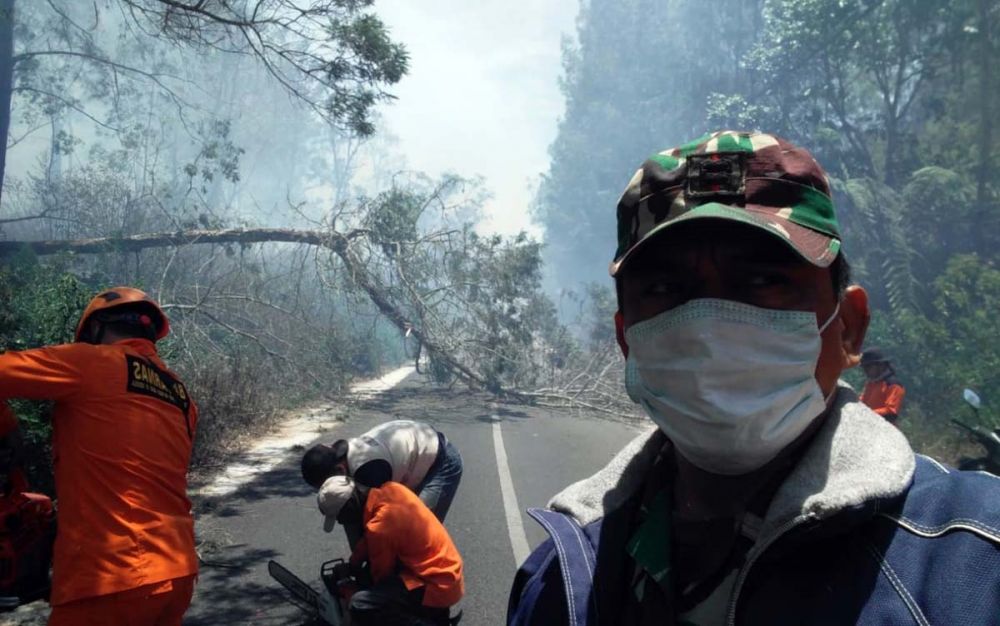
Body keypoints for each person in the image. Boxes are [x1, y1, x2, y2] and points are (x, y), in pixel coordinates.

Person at [507, 131, 1000, 625]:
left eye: (764, 281)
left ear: (848, 326)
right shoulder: (563, 572)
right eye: (664, 288)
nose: (709, 330)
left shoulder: (975, 559)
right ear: (626, 339)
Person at [0, 287, 198, 625]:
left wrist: (8, 427)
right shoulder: (180, 396)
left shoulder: (92, 361)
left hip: (112, 578)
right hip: (177, 570)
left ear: (95, 330)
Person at [316, 474, 464, 626]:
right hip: (445, 573)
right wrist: (353, 565)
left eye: (340, 517)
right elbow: (368, 541)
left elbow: (380, 578)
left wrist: (348, 588)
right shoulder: (391, 489)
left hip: (435, 584)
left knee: (360, 604)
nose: (341, 522)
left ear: (350, 507)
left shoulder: (380, 527)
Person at [301, 419, 462, 532]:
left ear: (341, 470)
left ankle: (436, 578)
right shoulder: (341, 463)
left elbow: (382, 527)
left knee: (416, 529)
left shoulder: (369, 470)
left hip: (440, 460)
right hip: (408, 456)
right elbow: (351, 518)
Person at [860, 348, 906, 424]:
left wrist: (867, 413)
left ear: (881, 365)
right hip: (867, 422)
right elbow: (863, 401)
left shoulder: (893, 385)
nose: (865, 370)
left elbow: (891, 413)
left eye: (868, 366)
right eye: (864, 367)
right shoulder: (871, 383)